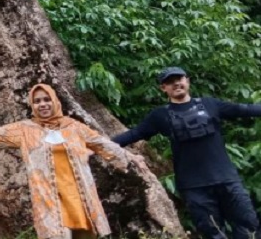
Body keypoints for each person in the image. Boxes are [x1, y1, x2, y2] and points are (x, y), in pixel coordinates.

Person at [0, 83, 138, 239]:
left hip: (78, 194)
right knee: (56, 234)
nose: (42, 104)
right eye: (37, 101)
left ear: (55, 101)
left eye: (46, 100)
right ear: (32, 106)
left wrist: (131, 157)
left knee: (83, 234)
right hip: (48, 196)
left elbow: (102, 144)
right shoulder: (25, 129)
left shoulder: (74, 127)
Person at [112, 66, 261, 239]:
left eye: (179, 79)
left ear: (187, 81)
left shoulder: (210, 104)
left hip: (227, 180)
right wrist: (95, 144)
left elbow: (244, 109)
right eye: (170, 81)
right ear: (163, 88)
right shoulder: (160, 116)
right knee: (213, 233)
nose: (176, 83)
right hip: (194, 187)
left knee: (249, 227)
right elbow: (134, 134)